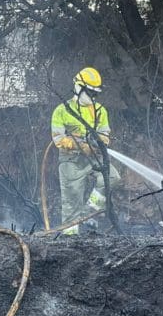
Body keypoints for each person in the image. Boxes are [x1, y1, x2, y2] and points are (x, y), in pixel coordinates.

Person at [51, 67, 121, 235]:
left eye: (95, 93)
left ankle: (89, 212)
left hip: (94, 157)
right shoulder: (62, 111)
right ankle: (70, 238)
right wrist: (78, 144)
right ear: (78, 87)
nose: (93, 97)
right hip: (71, 160)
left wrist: (98, 141)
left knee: (112, 177)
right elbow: (58, 139)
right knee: (72, 198)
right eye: (90, 92)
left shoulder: (100, 111)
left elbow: (105, 136)